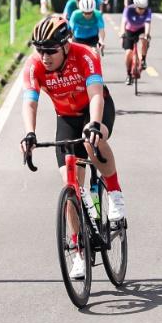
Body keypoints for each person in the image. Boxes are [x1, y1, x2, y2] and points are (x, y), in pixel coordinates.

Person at [19, 16, 127, 279]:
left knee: (93, 142)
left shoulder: (85, 55)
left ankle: (114, 194)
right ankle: (79, 251)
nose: (44, 56)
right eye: (40, 50)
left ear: (66, 46)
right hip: (66, 118)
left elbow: (96, 95)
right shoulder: (34, 67)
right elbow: (30, 102)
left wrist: (94, 124)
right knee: (70, 184)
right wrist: (30, 133)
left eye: (50, 51)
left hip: (93, 109)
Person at [121, 0, 154, 81]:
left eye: (143, 8)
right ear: (135, 5)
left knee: (144, 40)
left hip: (141, 30)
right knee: (128, 52)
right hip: (129, 30)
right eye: (139, 8)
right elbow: (123, 22)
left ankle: (143, 59)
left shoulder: (148, 11)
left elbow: (147, 23)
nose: (142, 10)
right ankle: (128, 74)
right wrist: (123, 33)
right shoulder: (128, 9)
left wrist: (147, 34)